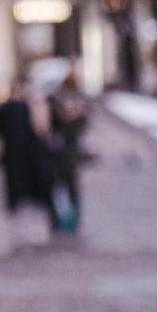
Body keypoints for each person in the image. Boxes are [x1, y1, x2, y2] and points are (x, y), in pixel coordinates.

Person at [0, 81, 55, 246]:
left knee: (16, 185)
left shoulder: (6, 108)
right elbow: (42, 130)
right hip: (29, 154)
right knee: (31, 184)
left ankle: (18, 211)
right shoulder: (28, 107)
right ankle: (33, 212)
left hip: (12, 153)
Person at [48, 72, 89, 233]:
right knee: (59, 186)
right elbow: (52, 122)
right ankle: (59, 219)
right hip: (58, 149)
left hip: (69, 150)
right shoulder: (56, 100)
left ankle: (72, 219)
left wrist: (76, 118)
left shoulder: (78, 101)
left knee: (69, 186)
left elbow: (82, 125)